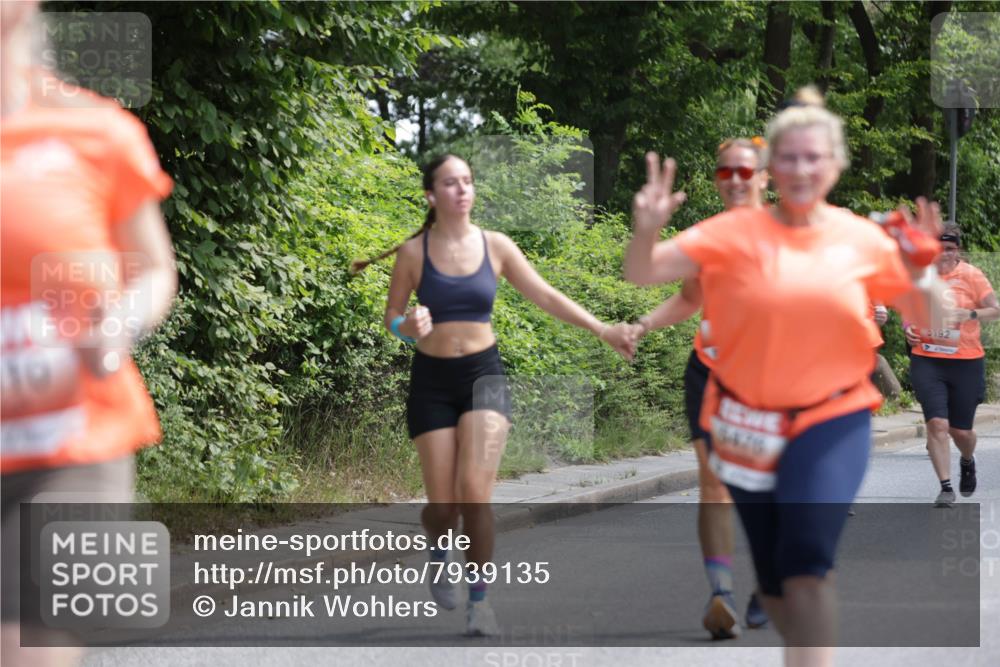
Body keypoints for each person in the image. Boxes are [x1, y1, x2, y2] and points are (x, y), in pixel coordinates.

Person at [623, 86, 943, 666]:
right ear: (775, 165)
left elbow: (929, 319)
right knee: (776, 583)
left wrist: (921, 274)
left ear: (836, 165)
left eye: (813, 157)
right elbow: (642, 271)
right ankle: (763, 596)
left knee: (807, 564)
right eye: (789, 157)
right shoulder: (730, 234)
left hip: (831, 416)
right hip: (745, 420)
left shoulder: (861, 238)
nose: (801, 169)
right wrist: (646, 228)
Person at [351, 154, 637, 636]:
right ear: (431, 195)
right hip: (432, 382)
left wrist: (601, 328)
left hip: (484, 376)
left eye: (467, 181)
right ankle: (439, 549)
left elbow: (544, 294)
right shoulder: (413, 253)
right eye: (449, 182)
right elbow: (392, 319)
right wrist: (408, 326)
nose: (462, 189)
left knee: (476, 496)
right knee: (443, 506)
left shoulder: (496, 246)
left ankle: (480, 602)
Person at [1, 3, 177, 666]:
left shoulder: (97, 132)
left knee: (24, 646)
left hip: (69, 443)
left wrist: (119, 322)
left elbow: (155, 268)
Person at [633, 137, 770, 639]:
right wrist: (642, 325)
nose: (734, 179)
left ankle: (774, 577)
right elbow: (690, 297)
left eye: (745, 171)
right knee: (713, 484)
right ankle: (721, 594)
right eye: (725, 172)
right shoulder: (705, 237)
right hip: (710, 371)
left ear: (764, 177)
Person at [904, 223, 998, 507]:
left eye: (950, 248)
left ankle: (967, 460)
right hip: (927, 358)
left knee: (961, 431)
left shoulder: (972, 275)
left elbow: (995, 309)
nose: (943, 254)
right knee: (937, 423)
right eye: (938, 248)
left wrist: (968, 312)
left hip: (966, 361)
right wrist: (908, 328)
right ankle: (945, 486)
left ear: (957, 249)